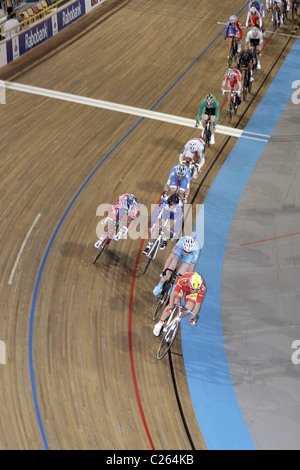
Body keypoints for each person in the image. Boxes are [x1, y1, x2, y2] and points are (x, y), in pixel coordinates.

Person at [153, 271, 206, 337]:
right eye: (193, 288)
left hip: (190, 292)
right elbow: (173, 294)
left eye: (196, 289)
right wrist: (171, 307)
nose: (194, 291)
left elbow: (198, 305)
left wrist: (192, 318)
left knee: (187, 311)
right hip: (182, 287)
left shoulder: (202, 288)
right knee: (174, 302)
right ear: (190, 283)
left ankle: (178, 318)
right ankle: (160, 323)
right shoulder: (183, 280)